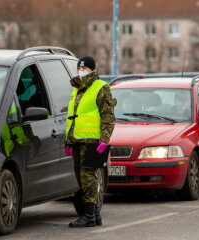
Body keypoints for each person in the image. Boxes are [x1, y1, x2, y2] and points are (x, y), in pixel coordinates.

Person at [65, 56, 116, 228]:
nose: (81, 71)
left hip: (93, 141)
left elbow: (108, 116)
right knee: (81, 177)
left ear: (92, 70)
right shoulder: (77, 88)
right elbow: (73, 118)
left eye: (85, 69)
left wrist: (104, 139)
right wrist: (68, 140)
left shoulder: (101, 87)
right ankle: (94, 215)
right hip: (78, 140)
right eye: (79, 68)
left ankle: (88, 216)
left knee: (88, 177)